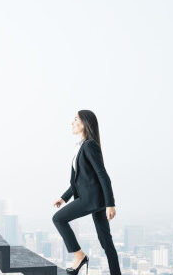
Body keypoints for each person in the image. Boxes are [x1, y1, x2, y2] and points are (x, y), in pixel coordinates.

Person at [51, 110, 121, 275]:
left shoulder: (89, 145)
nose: (72, 122)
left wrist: (110, 204)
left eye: (75, 119)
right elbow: (80, 180)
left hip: (91, 199)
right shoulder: (81, 147)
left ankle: (79, 256)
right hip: (95, 200)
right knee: (106, 242)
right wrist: (64, 197)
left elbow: (103, 175)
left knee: (58, 219)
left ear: (84, 123)